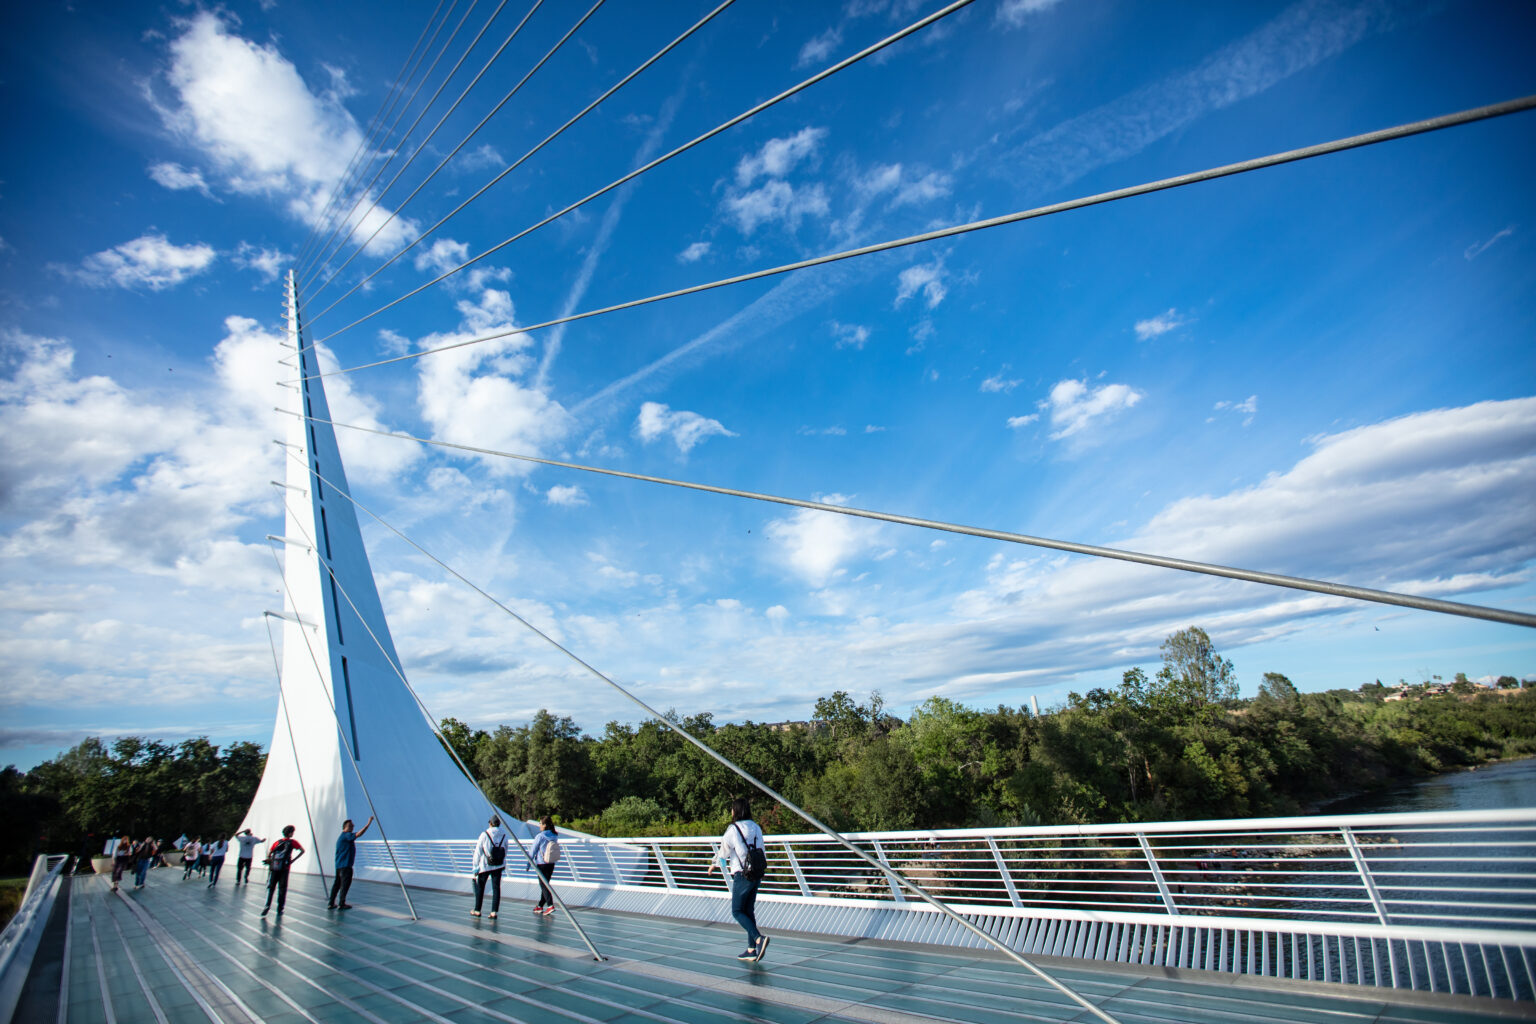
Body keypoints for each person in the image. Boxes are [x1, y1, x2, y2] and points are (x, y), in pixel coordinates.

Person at [709, 797, 769, 962]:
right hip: (756, 872)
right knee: (748, 911)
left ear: (736, 811)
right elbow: (761, 849)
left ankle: (759, 939)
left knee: (736, 911)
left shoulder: (733, 829)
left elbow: (723, 851)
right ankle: (751, 950)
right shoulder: (756, 827)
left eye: (732, 809)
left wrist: (714, 864)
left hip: (742, 874)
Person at [328, 814, 373, 909]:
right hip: (345, 866)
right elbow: (358, 834)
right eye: (350, 826)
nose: (352, 827)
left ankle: (331, 903)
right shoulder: (346, 835)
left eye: (352, 826)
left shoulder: (342, 837)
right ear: (344, 827)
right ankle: (341, 903)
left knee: (337, 884)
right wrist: (368, 823)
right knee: (345, 884)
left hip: (339, 865)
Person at [470, 814, 510, 918]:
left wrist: (475, 865)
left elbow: (478, 851)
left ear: (490, 823)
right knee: (496, 888)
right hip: (499, 865)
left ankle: (477, 910)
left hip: (485, 864)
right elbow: (506, 849)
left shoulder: (485, 834)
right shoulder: (504, 834)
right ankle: (494, 912)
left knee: (481, 887)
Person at [261, 825, 305, 917]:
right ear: (290, 833)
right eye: (292, 832)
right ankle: (280, 909)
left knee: (271, 887)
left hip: (274, 868)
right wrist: (292, 861)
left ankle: (267, 905)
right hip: (285, 868)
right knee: (282, 889)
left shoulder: (277, 842)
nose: (293, 834)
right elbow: (302, 851)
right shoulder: (293, 842)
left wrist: (270, 861)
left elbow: (270, 853)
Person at [527, 816, 562, 916]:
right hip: (551, 863)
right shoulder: (554, 835)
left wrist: (528, 863)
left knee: (544, 885)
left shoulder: (540, 836)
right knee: (545, 884)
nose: (539, 826)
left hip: (542, 863)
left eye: (540, 824)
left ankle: (550, 905)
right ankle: (540, 905)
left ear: (545, 825)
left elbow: (533, 850)